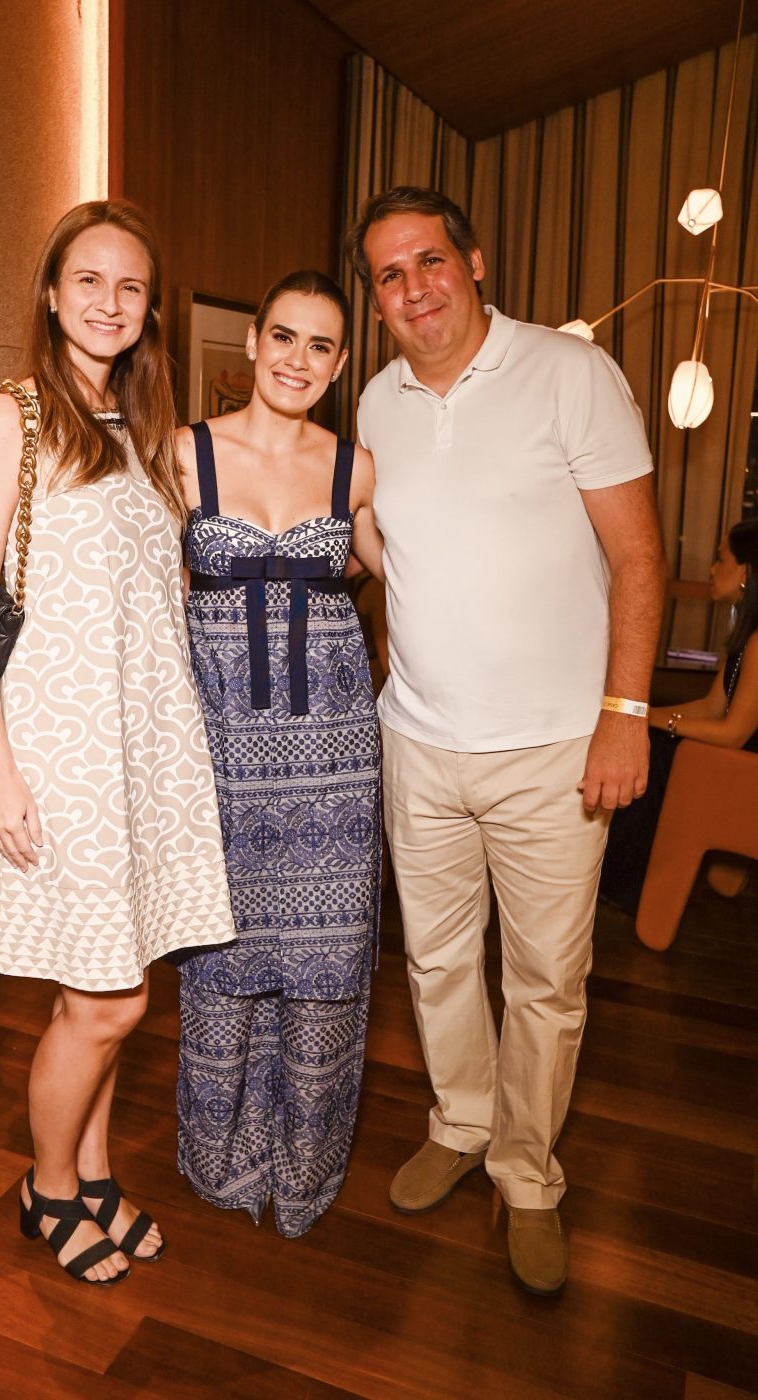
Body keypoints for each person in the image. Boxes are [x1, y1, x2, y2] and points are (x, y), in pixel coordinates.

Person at [346, 186, 666, 1294]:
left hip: (554, 750)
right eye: (387, 274)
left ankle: (528, 1173)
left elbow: (638, 557)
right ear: (375, 298)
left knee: (545, 978)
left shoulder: (569, 373)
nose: (412, 287)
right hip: (420, 740)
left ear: (473, 261)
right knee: (436, 960)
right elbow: (380, 534)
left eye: (427, 259)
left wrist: (622, 716)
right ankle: (461, 1120)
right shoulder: (377, 401)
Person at [0, 200, 235, 1285]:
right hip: (56, 757)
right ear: (52, 293)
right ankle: (47, 1185)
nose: (110, 302)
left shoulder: (145, 432)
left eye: (131, 286)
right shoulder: (7, 419)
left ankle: (96, 1171)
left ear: (149, 309)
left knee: (109, 982)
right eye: (89, 280)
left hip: (144, 754)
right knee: (108, 999)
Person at [175, 269, 383, 1238]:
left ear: (341, 363)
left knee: (327, 952)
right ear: (253, 342)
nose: (299, 359)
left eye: (322, 345)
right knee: (223, 946)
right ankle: (222, 1155)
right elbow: (144, 596)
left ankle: (303, 1163)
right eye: (285, 337)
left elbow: (419, 580)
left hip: (333, 748)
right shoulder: (183, 454)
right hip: (219, 740)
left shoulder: (356, 468)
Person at [601, 518, 758, 915]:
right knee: (651, 740)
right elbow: (711, 706)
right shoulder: (746, 632)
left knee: (655, 755)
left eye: (720, 559)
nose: (710, 569)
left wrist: (646, 723)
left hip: (744, 768)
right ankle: (629, 881)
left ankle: (627, 884)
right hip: (736, 760)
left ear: (746, 571)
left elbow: (733, 733)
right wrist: (641, 714)